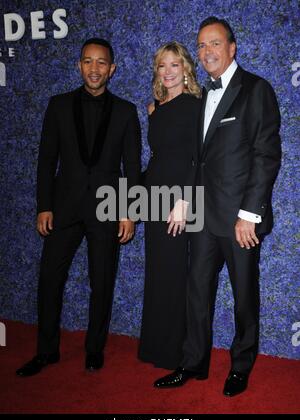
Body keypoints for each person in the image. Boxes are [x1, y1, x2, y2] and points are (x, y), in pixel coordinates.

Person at [154, 17, 281, 396]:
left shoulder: (255, 89)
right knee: (196, 292)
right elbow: (199, 160)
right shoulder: (202, 97)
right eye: (202, 46)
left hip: (240, 218)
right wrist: (183, 200)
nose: (207, 52)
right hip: (203, 216)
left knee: (244, 295)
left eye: (214, 44)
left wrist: (250, 214)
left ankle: (241, 366)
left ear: (232, 47)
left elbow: (266, 155)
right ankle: (193, 362)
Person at [16, 38, 141, 377]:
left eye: (102, 63)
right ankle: (46, 351)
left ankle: (94, 349)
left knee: (102, 282)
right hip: (64, 208)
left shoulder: (126, 111)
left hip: (107, 209)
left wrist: (129, 211)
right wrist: (44, 206)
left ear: (112, 69)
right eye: (88, 61)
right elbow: (46, 161)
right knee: (48, 279)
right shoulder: (57, 106)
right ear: (79, 66)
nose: (95, 68)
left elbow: (131, 166)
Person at [138, 42, 201, 369]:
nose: (169, 71)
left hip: (181, 198)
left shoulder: (196, 106)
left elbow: (196, 158)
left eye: (175, 65)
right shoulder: (154, 108)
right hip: (153, 197)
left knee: (176, 273)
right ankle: (154, 347)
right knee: (157, 271)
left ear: (186, 68)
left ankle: (176, 351)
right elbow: (155, 159)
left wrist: (185, 201)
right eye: (163, 65)